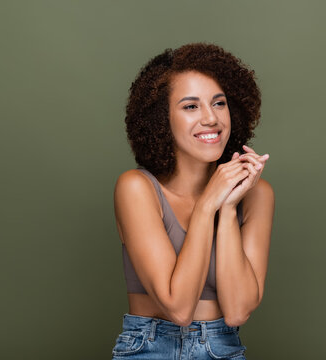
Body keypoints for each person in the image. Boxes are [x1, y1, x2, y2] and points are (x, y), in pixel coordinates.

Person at [111, 43, 274, 359]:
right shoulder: (136, 188)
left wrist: (227, 207)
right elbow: (179, 308)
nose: (211, 118)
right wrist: (207, 205)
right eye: (190, 106)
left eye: (219, 103)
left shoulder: (256, 193)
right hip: (149, 347)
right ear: (161, 118)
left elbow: (238, 311)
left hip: (223, 348)